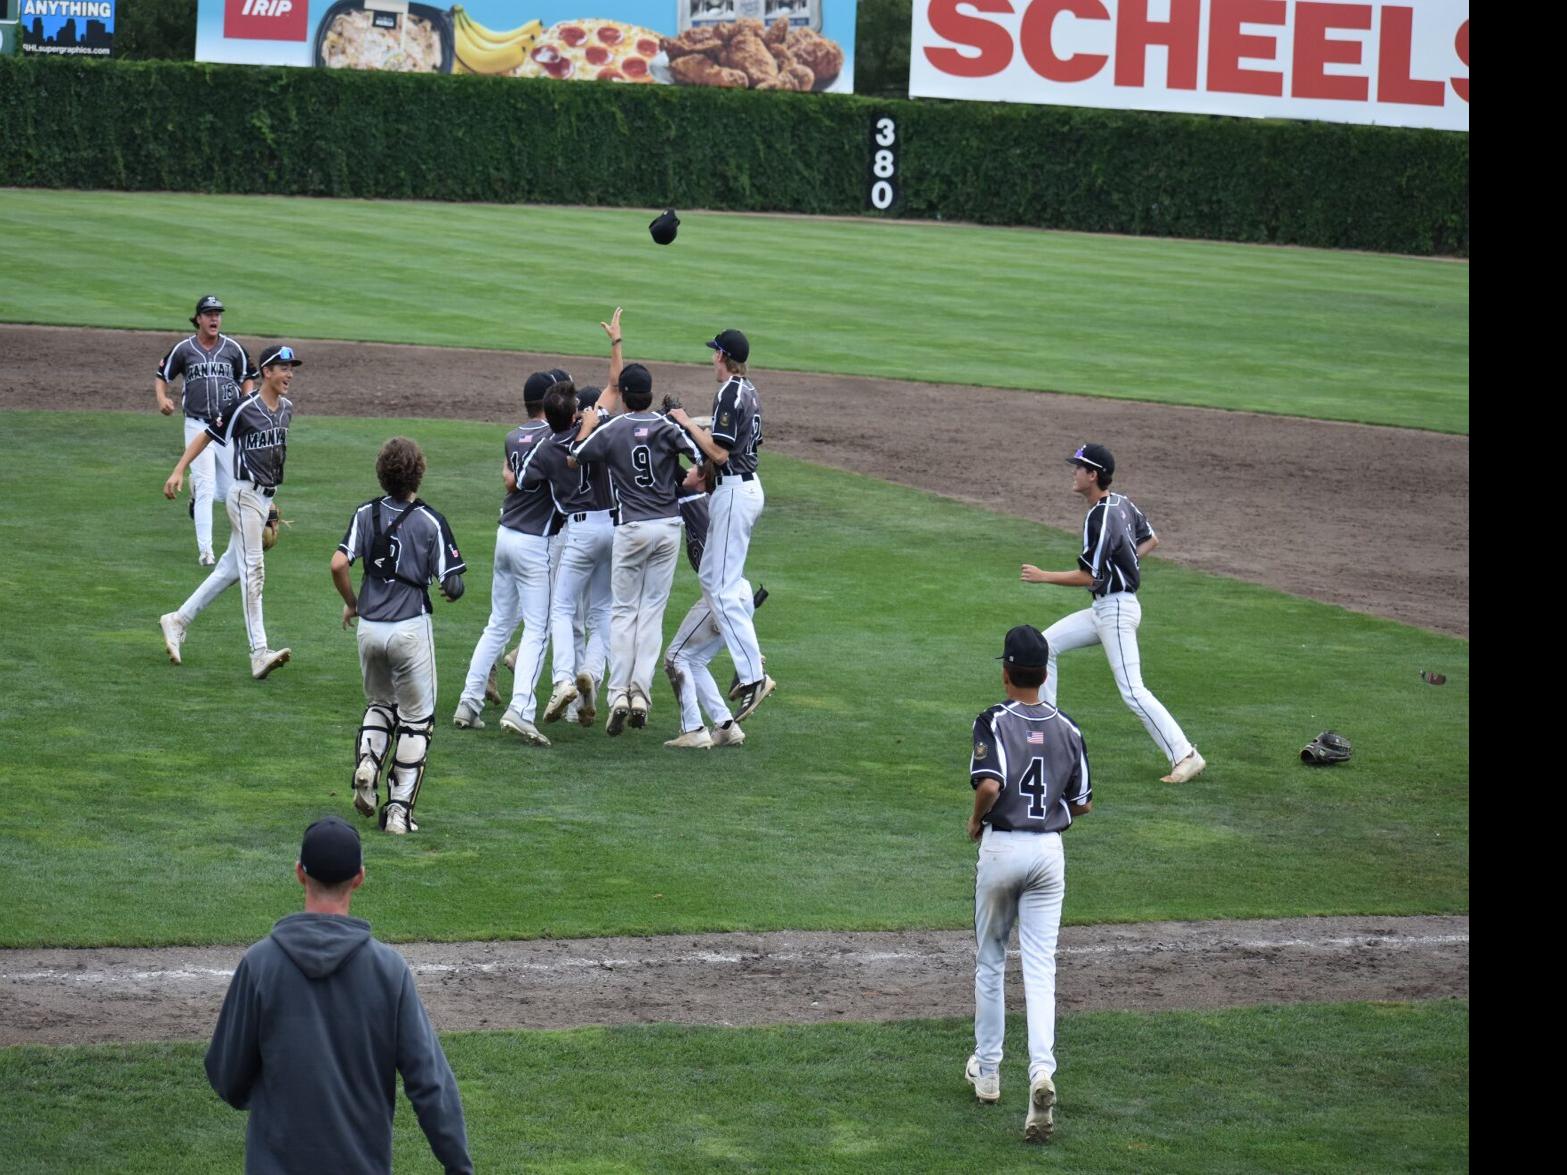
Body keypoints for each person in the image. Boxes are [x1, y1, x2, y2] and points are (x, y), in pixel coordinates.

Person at [205, 816, 473, 1173]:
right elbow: (430, 1085)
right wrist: (459, 1167)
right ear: (359, 878)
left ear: (299, 872)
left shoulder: (260, 965)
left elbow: (226, 1076)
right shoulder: (388, 970)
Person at [965, 624, 1092, 1144]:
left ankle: (989, 1071)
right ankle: (1042, 1072)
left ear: (1006, 671)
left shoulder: (993, 720)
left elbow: (990, 784)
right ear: (1043, 673)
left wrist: (976, 821)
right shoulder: (1068, 727)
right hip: (1048, 853)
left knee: (991, 959)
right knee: (1041, 967)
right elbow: (1082, 802)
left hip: (1002, 848)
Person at [1020, 443, 1206, 784]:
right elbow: (1151, 540)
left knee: (1133, 691)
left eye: (1078, 468)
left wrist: (1043, 576)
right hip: (1107, 607)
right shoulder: (1122, 503)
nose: (1073, 473)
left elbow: (1089, 576)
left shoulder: (1100, 515)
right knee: (1044, 647)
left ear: (1093, 475)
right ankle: (1045, 738)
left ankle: (1185, 755)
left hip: (1116, 609)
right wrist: (1125, 563)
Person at [569, 309, 700, 735]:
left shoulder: (614, 429)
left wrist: (589, 423)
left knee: (622, 613)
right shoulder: (664, 427)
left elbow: (577, 454)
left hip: (630, 528)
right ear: (650, 393)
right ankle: (640, 693)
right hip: (667, 527)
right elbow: (699, 459)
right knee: (652, 613)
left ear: (624, 394)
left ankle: (619, 695)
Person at [331, 438, 467, 836]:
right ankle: (398, 813)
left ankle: (369, 764)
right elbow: (453, 583)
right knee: (416, 721)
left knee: (379, 704)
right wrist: (452, 589)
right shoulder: (430, 521)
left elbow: (339, 563)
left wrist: (353, 602)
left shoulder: (365, 513)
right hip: (409, 627)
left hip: (370, 628)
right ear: (418, 474)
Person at [160, 343, 299, 681]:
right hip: (242, 497)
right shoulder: (242, 407)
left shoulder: (287, 410)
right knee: (254, 570)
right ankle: (259, 652)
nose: (289, 374)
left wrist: (271, 502)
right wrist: (179, 470)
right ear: (266, 372)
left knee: (230, 569)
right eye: (283, 368)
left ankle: (177, 620)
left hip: (262, 499)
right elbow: (207, 436)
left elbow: (273, 459)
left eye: (291, 368)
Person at [665, 327, 774, 722]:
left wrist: (682, 420)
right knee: (714, 580)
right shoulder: (750, 390)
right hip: (743, 490)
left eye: (715, 353)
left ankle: (753, 674)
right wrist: (693, 423)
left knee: (722, 589)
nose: (711, 358)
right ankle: (751, 662)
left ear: (723, 357)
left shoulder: (730, 392)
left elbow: (720, 453)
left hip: (733, 493)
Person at [452, 370, 561, 745]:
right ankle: (522, 709)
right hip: (534, 543)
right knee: (538, 628)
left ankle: (468, 703)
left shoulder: (513, 436)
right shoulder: (555, 437)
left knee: (498, 623)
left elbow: (512, 479)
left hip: (505, 536)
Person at [662, 466, 769, 749]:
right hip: (738, 594)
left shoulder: (696, 501)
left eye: (696, 467)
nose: (688, 469)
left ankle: (694, 730)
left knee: (676, 657)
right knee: (693, 660)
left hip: (722, 599)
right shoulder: (715, 499)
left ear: (701, 479)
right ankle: (725, 726)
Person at [533, 383, 615, 728]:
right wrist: (616, 344)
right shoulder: (600, 427)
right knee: (604, 610)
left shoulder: (548, 445)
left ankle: (564, 679)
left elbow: (521, 480)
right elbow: (613, 388)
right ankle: (592, 673)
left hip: (578, 531)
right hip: (612, 526)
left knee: (563, 609)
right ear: (577, 412)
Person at [155, 295, 254, 566]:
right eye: (209, 314)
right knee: (208, 484)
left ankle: (196, 490)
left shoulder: (232, 348)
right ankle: (206, 552)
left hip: (226, 426)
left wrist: (247, 403)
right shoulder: (184, 349)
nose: (214, 318)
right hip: (197, 424)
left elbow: (248, 377)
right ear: (198, 318)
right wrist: (162, 398)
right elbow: (162, 376)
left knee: (233, 487)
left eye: (218, 314)